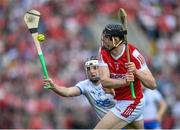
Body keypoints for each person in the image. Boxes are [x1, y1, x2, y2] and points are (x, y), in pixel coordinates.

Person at [94, 24, 157, 129]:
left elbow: (152, 84)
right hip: (119, 100)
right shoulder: (102, 52)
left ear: (116, 40)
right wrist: (124, 81)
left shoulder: (134, 55)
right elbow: (104, 81)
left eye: (106, 37)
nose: (103, 40)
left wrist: (136, 71)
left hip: (133, 101)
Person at [43, 56, 134, 120]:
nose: (92, 71)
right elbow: (67, 92)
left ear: (101, 69)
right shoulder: (85, 85)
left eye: (95, 68)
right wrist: (53, 86)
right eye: (88, 69)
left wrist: (113, 92)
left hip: (124, 122)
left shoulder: (113, 80)